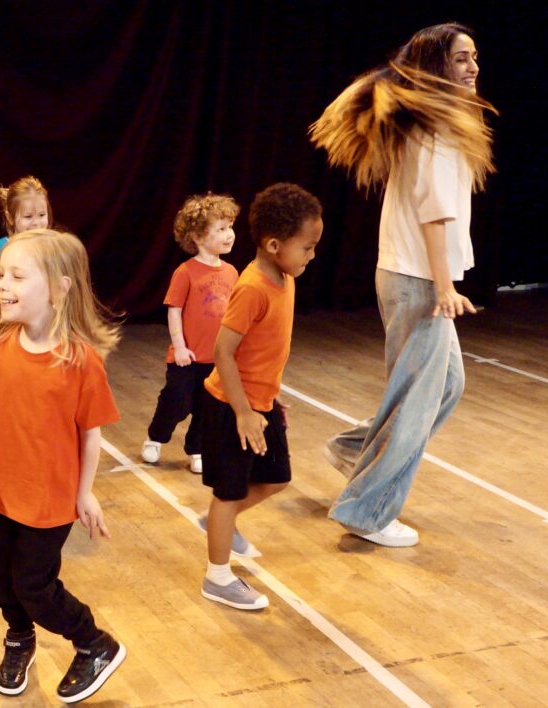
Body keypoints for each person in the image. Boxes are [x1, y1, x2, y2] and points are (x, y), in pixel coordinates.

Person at [310, 23, 495, 547]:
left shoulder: (436, 123)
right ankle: (366, 511)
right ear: (437, 66)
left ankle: (354, 449)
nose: (473, 67)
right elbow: (435, 214)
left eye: (475, 57)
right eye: (461, 59)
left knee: (447, 386)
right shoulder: (432, 130)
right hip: (418, 279)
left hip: (411, 276)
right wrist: (443, 286)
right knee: (417, 398)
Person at [0, 229, 126, 703]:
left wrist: (86, 492)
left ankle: (94, 643)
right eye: (1, 275)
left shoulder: (81, 362)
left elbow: (91, 433)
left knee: (34, 585)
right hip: (2, 494)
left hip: (50, 503)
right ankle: (19, 638)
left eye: (17, 275)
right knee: (0, 575)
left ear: (58, 288)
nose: (2, 285)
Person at [200, 184, 323, 610]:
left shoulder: (285, 278)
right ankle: (217, 577)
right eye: (306, 247)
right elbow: (223, 352)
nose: (311, 255)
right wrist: (242, 412)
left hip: (262, 403)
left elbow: (264, 352)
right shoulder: (252, 287)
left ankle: (221, 519)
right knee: (227, 493)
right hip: (230, 407)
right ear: (274, 245)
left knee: (277, 477)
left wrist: (270, 398)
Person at [142, 193, 239, 474]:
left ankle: (196, 448)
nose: (229, 234)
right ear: (197, 236)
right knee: (176, 401)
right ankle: (156, 437)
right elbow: (174, 311)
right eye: (221, 229)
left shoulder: (232, 272)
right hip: (187, 358)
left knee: (207, 408)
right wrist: (180, 348)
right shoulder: (185, 272)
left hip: (216, 359)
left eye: (230, 227)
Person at [0, 176, 52, 298]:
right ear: (10, 217)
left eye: (42, 215)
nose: (36, 223)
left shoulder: (54, 248)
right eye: (28, 216)